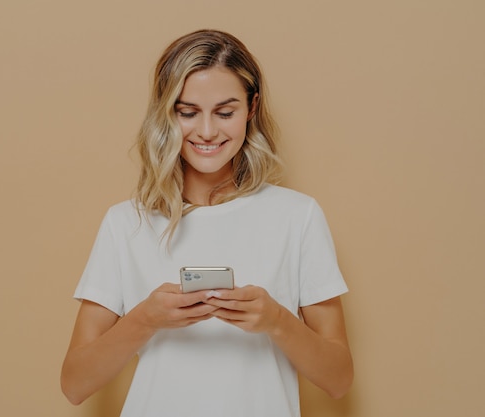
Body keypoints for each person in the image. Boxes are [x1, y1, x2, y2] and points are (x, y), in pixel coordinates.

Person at [60, 29, 353, 417]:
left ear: (251, 108)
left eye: (225, 112)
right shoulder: (125, 223)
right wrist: (145, 319)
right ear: (167, 113)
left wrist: (277, 320)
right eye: (188, 112)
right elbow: (75, 384)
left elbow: (339, 379)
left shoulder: (297, 217)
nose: (208, 132)